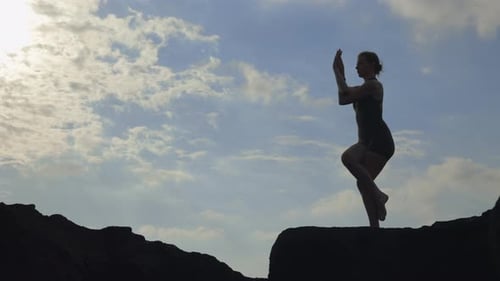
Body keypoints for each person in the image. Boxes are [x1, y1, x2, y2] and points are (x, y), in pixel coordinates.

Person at [332, 49, 395, 228]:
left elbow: (344, 91)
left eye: (360, 63)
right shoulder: (361, 89)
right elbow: (342, 99)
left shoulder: (373, 86)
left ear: (371, 65)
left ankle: (378, 196)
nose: (356, 67)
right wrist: (340, 74)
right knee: (361, 181)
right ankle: (374, 225)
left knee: (354, 168)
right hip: (365, 142)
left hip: (379, 142)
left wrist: (337, 73)